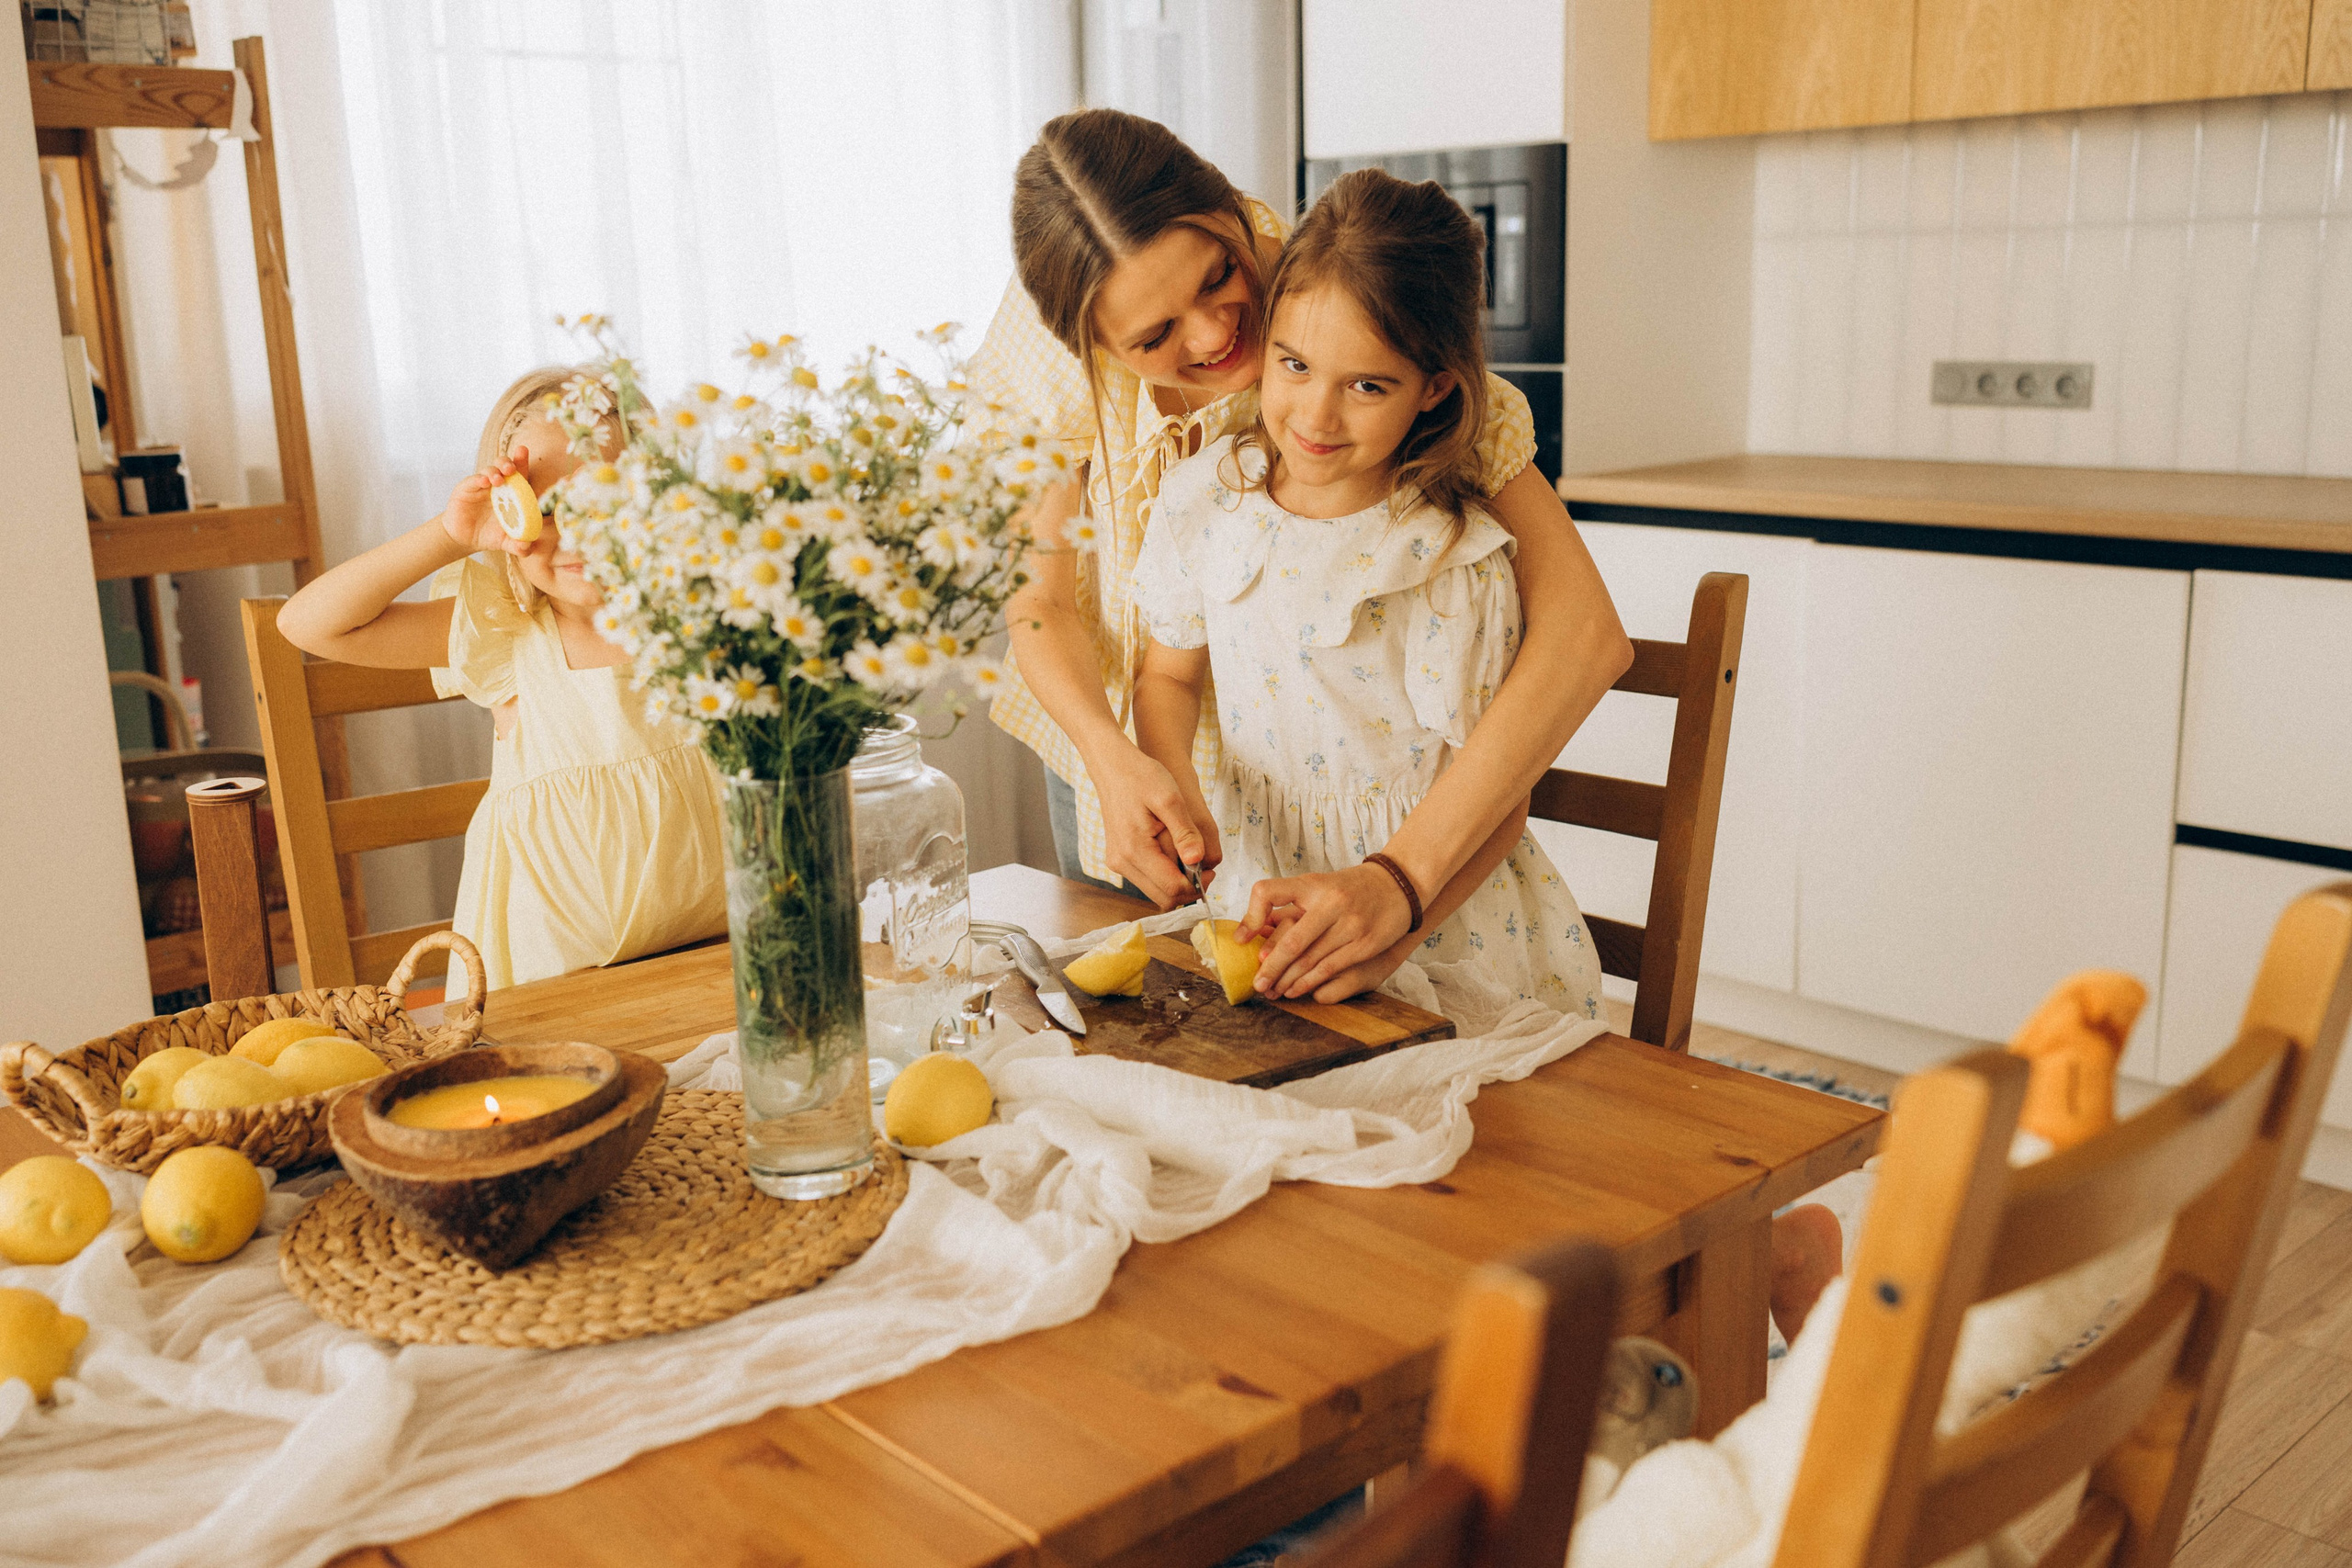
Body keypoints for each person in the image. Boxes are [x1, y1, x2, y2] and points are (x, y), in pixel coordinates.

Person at [973, 107, 1634, 1007]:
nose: (1214, 336)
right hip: (1145, 773)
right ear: (1095, 347)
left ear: (1228, 210)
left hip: (1390, 848)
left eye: (1219, 276)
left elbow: (1582, 636)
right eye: (1155, 339)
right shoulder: (1052, 349)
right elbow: (1040, 600)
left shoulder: (1336, 303)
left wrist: (1401, 888)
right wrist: (1114, 756)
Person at [1129, 168, 1604, 1024]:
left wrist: (1398, 922)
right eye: (1295, 365)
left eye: (1367, 385)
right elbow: (1166, 675)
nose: (1316, 416)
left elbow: (1502, 793)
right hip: (1257, 906)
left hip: (1443, 931)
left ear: (1436, 388)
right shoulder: (1205, 498)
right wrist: (1176, 789)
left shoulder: (1451, 555)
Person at [275, 368, 725, 990]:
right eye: (548, 508)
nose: (581, 535)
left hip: (712, 970)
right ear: (509, 511)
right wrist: (451, 534)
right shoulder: (505, 629)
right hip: (552, 990)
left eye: (607, 501)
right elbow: (308, 624)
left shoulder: (709, 629)